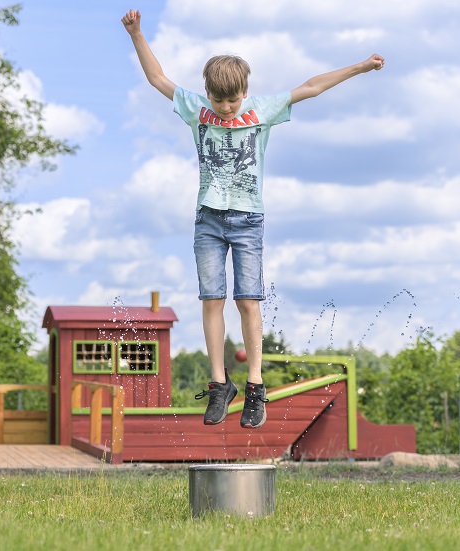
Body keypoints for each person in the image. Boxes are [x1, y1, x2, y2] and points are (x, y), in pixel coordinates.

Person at [121, 9, 384, 428]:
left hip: (247, 220)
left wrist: (360, 67)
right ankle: (219, 384)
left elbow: (312, 87)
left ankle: (255, 386)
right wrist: (137, 34)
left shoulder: (262, 109)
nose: (225, 109)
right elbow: (158, 79)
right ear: (207, 92)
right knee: (211, 299)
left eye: (232, 100)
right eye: (219, 100)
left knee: (247, 301)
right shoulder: (197, 108)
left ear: (245, 91)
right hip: (207, 218)